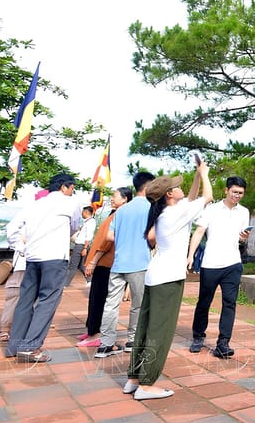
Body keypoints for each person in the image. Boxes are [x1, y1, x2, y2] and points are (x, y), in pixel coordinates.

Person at [125, 162, 213, 400]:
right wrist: (204, 175)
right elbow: (207, 196)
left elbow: (192, 196)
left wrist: (196, 174)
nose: (180, 187)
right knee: (160, 331)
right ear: (169, 195)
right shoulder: (175, 213)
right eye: (176, 187)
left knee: (145, 328)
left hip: (155, 275)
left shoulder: (166, 212)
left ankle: (134, 378)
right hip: (168, 279)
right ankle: (147, 384)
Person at [5, 173, 80, 362]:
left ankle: (13, 346)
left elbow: (11, 228)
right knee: (47, 301)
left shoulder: (35, 205)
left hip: (32, 258)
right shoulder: (70, 203)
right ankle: (30, 347)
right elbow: (74, 227)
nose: (72, 192)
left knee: (25, 301)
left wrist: (21, 248)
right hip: (54, 258)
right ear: (65, 187)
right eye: (72, 188)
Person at [187, 176, 251, 358]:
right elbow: (199, 232)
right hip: (211, 264)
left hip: (233, 263)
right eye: (234, 192)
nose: (237, 196)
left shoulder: (244, 212)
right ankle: (198, 336)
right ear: (226, 190)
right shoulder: (212, 209)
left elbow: (241, 237)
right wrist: (190, 255)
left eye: (241, 193)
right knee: (204, 302)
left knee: (229, 303)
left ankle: (223, 343)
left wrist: (243, 237)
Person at [97, 171, 154, 358]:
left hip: (118, 263)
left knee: (110, 304)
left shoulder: (121, 210)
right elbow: (152, 238)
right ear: (148, 187)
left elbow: (109, 236)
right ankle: (132, 340)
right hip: (139, 263)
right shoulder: (150, 208)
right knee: (138, 305)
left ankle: (105, 345)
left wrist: (125, 239)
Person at [78, 187, 132, 347]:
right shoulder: (114, 214)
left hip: (107, 262)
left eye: (114, 196)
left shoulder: (121, 216)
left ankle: (96, 334)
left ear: (125, 199)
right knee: (96, 297)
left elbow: (108, 241)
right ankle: (92, 329)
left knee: (100, 298)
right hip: (104, 262)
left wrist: (94, 260)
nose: (111, 199)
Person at [0, 189, 49, 342]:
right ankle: (5, 328)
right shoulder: (31, 212)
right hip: (24, 263)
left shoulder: (47, 217)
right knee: (15, 295)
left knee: (35, 296)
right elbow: (11, 232)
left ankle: (28, 325)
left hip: (40, 262)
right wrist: (24, 247)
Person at [65, 205, 95, 287]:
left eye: (82, 212)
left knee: (73, 265)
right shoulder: (87, 222)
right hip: (81, 245)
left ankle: (65, 283)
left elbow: (88, 237)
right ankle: (89, 280)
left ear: (86, 212)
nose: (81, 214)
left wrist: (85, 248)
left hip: (81, 245)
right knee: (82, 265)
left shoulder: (91, 223)